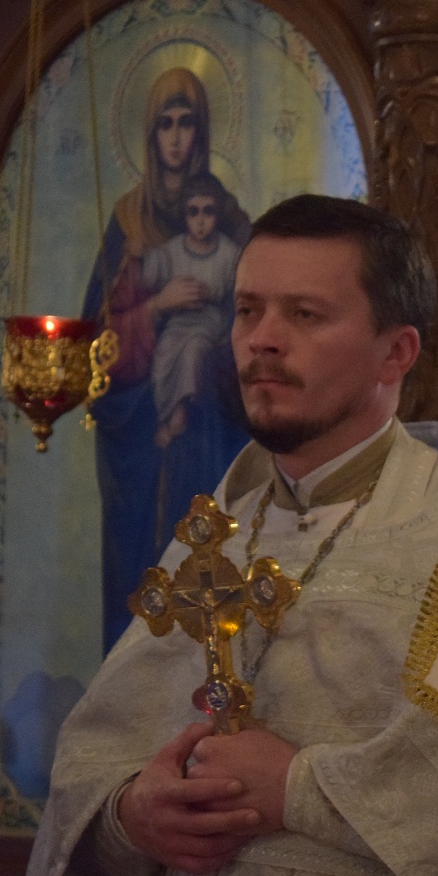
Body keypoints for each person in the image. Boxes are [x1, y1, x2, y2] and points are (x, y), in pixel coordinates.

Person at [1, 195, 438, 876]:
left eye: (304, 314)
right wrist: (130, 818)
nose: (262, 339)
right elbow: (98, 758)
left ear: (396, 353)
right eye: (248, 310)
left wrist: (299, 790)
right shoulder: (215, 535)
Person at [83, 66, 252, 653]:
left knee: (207, 579)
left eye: (187, 123)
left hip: (210, 434)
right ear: (150, 136)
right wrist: (157, 306)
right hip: (137, 438)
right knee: (139, 575)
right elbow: (97, 342)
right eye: (165, 125)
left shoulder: (231, 222)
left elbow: (255, 315)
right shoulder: (128, 223)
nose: (176, 138)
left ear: (202, 131)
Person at [142, 172, 243, 449]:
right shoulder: (172, 251)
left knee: (194, 350)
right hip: (178, 323)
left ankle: (181, 412)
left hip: (209, 322)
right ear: (184, 215)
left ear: (218, 214)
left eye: (208, 212)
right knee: (163, 356)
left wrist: (211, 293)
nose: (200, 221)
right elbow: (150, 277)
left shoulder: (228, 253)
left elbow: (236, 293)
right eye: (193, 212)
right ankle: (167, 413)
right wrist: (143, 253)